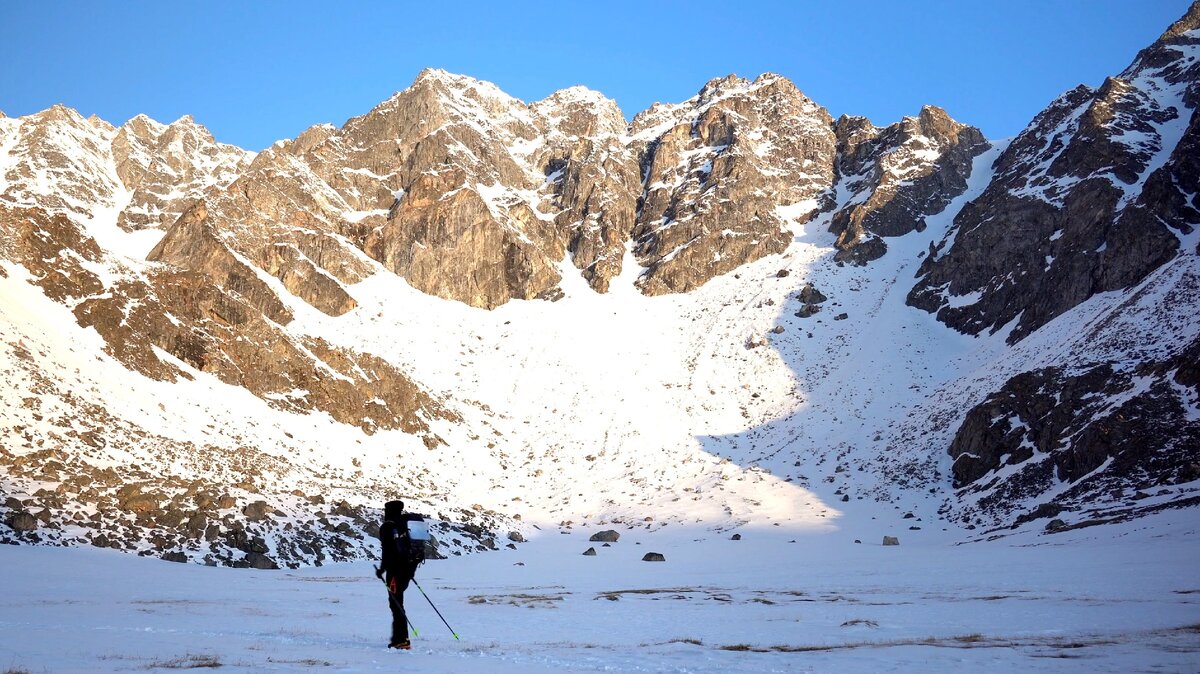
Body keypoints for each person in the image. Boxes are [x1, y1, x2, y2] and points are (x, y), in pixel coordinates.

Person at [376, 499, 421, 649]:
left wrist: (382, 570)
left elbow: (387, 551)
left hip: (395, 571)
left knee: (396, 604)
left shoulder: (388, 527)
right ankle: (401, 639)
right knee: (398, 602)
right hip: (408, 568)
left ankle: (402, 640)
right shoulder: (404, 525)